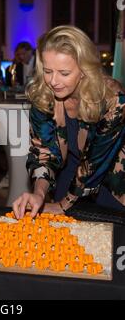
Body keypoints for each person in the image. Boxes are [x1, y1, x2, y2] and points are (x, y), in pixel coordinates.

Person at [13, 25, 125, 220]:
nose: (53, 81)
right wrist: (39, 193)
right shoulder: (43, 95)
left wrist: (63, 205)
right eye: (48, 71)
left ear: (84, 70)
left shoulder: (112, 99)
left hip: (112, 180)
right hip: (70, 173)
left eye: (64, 73)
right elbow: (43, 152)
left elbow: (95, 163)